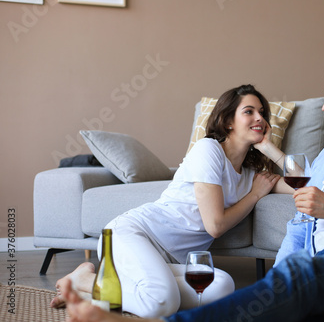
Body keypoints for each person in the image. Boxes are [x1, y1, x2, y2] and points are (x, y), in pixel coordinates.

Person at [59, 54, 324, 322]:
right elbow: (301, 212)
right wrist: (276, 284)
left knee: (255, 283)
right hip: (316, 261)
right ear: (228, 120)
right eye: (250, 112)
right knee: (290, 279)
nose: (323, 105)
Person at [50, 84, 281, 318]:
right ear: (228, 121)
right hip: (133, 235)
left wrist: (271, 149)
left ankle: (109, 286)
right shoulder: (208, 150)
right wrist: (254, 196)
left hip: (168, 260)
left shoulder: (252, 175)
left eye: (262, 112)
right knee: (162, 303)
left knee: (222, 286)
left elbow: (307, 182)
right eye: (249, 111)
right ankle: (87, 281)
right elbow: (215, 225)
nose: (259, 118)